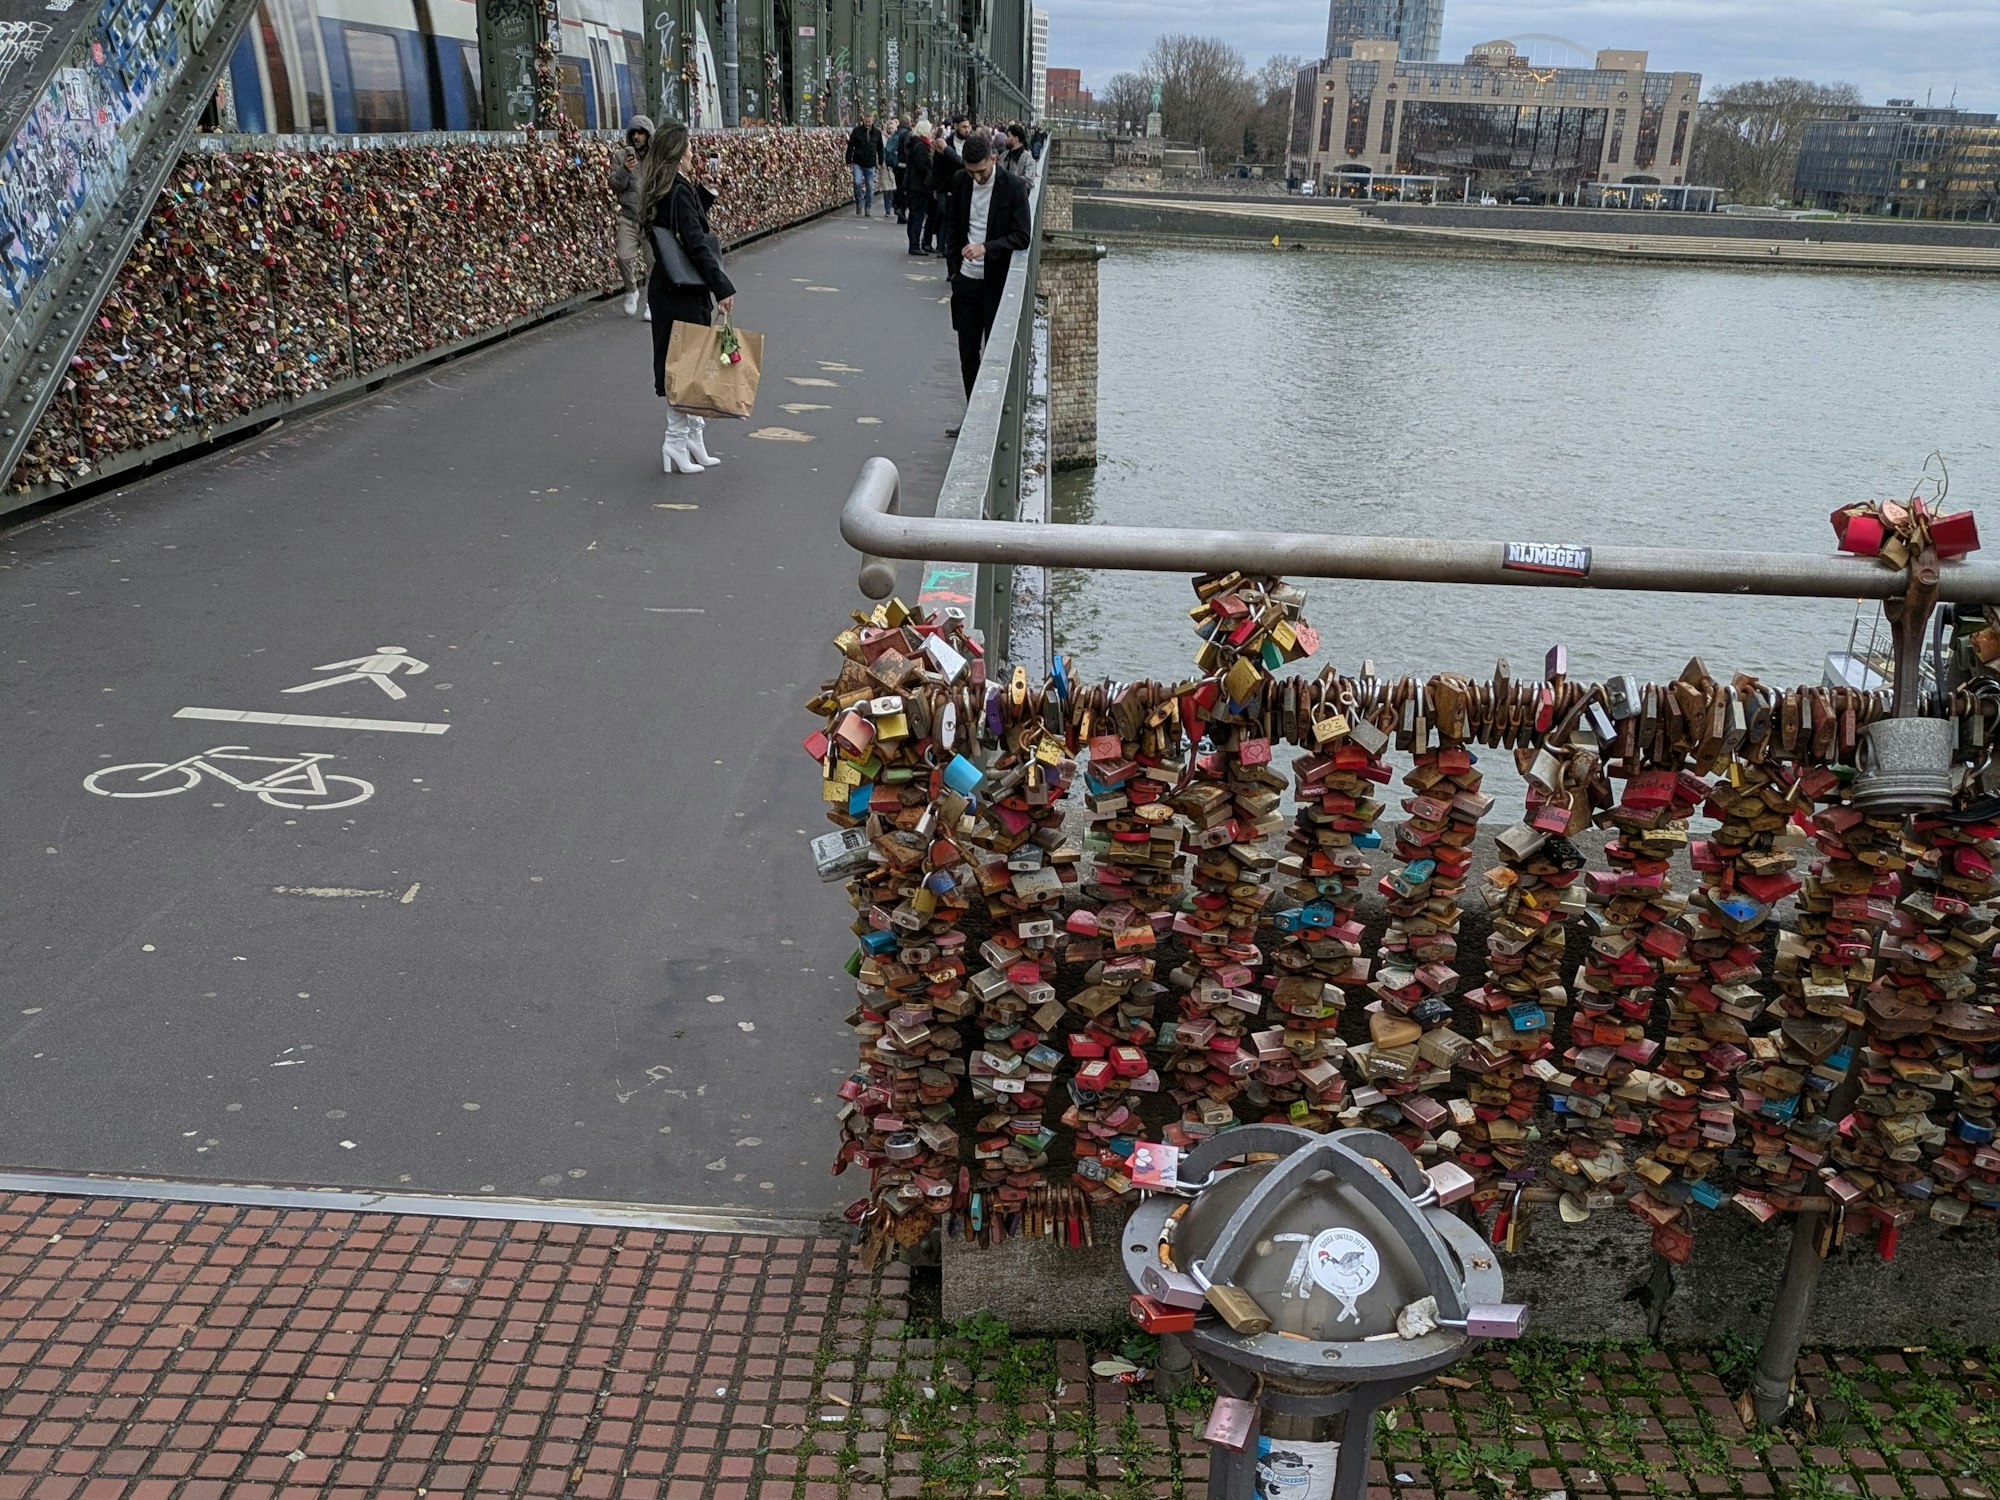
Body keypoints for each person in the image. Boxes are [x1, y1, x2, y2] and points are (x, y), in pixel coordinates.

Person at [644, 121, 736, 475]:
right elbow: (695, 243)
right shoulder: (678, 190)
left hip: (669, 288)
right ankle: (675, 442)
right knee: (686, 368)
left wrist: (706, 194)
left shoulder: (662, 186)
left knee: (686, 365)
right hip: (683, 291)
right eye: (690, 149)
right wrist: (722, 285)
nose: (694, 154)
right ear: (679, 154)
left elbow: (683, 227)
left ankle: (691, 438)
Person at [941, 134, 1031, 399]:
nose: (976, 178)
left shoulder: (1013, 186)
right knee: (968, 356)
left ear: (993, 159)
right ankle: (972, 413)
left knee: (994, 355)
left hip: (996, 283)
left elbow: (1023, 236)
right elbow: (954, 227)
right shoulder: (961, 182)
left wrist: (986, 247)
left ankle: (990, 413)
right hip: (966, 282)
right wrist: (955, 270)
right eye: (971, 172)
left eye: (981, 171)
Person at [607, 114, 656, 318]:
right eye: (634, 133)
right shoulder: (621, 156)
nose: (637, 137)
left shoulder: (656, 156)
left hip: (651, 218)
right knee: (623, 256)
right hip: (628, 216)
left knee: (653, 262)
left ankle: (652, 304)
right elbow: (614, 185)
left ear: (648, 135)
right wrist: (625, 171)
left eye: (641, 133)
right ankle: (632, 290)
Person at [927, 127, 963, 255]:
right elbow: (938, 167)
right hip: (945, 187)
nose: (967, 129)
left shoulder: (967, 143)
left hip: (956, 187)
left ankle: (946, 246)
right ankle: (942, 246)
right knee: (944, 215)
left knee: (950, 217)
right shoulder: (946, 144)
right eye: (964, 126)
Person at [900, 123, 933, 256]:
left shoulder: (915, 144)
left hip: (912, 185)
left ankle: (913, 243)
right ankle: (914, 245)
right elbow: (922, 166)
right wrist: (929, 173)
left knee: (914, 215)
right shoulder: (921, 146)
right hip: (919, 186)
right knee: (918, 216)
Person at [845, 112, 884, 216]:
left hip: (870, 163)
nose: (868, 123)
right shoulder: (857, 131)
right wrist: (848, 160)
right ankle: (859, 203)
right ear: (863, 121)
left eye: (870, 122)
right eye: (866, 121)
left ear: (872, 121)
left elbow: (880, 148)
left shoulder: (877, 133)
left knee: (870, 187)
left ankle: (868, 207)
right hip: (858, 162)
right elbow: (850, 146)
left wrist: (880, 161)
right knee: (857, 182)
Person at [886, 114, 912, 223]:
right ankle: (901, 208)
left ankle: (899, 209)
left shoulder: (896, 133)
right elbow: (908, 151)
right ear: (908, 122)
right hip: (905, 165)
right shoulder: (908, 134)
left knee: (899, 186)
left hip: (896, 165)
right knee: (906, 189)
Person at [1001, 122, 1036, 187]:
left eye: (1008, 136)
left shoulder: (1027, 158)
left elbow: (1029, 181)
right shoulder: (1004, 155)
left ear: (1016, 139)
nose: (1006, 139)